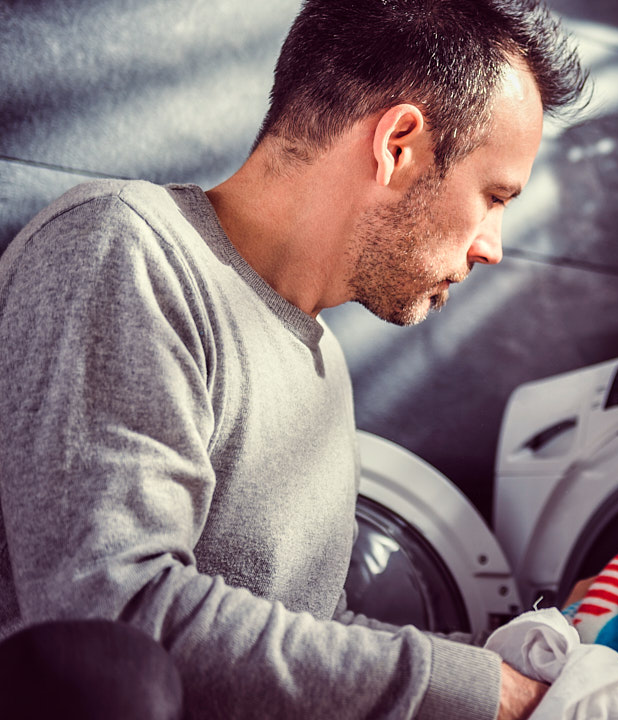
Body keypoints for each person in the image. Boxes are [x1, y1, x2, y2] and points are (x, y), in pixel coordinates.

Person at [0, 0, 586, 717]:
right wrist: (476, 693)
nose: (492, 245)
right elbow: (115, 616)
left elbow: (303, 643)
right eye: (494, 196)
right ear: (398, 144)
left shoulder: (321, 366)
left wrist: (498, 670)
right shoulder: (125, 251)